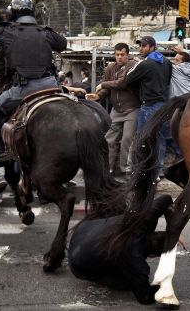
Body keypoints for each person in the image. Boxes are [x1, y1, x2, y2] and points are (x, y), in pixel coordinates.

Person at [0, 0, 67, 165]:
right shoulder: (45, 32)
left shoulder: (5, 31)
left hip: (23, 89)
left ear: (12, 13)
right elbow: (62, 44)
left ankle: (0, 152)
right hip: (50, 85)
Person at [68, 194, 173, 305]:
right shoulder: (137, 263)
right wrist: (162, 287)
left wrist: (173, 228)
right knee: (128, 282)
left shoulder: (145, 219)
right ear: (152, 255)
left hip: (82, 230)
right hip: (77, 263)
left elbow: (167, 199)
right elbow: (145, 298)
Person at [108, 36, 172, 177]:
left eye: (143, 46)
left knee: (141, 139)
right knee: (160, 138)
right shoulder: (166, 62)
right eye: (140, 45)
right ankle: (158, 170)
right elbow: (167, 81)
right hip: (163, 105)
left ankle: (140, 169)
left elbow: (128, 79)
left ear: (152, 47)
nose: (140, 48)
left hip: (148, 106)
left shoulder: (145, 63)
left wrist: (138, 65)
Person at [87, 43, 139, 179]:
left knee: (128, 140)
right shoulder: (110, 68)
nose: (120, 57)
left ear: (128, 55)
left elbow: (122, 83)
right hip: (116, 110)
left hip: (132, 109)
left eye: (122, 54)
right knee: (109, 140)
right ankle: (107, 170)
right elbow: (107, 89)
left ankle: (126, 172)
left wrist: (103, 85)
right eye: (117, 54)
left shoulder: (133, 66)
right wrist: (98, 96)